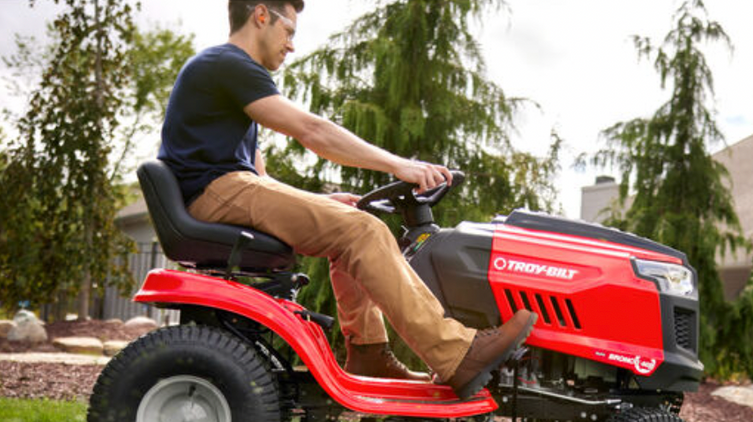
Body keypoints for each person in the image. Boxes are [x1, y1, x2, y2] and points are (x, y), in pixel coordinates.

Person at [158, 0, 535, 399]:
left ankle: (369, 352)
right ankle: (457, 353)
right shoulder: (228, 64)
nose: (291, 46)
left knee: (350, 221)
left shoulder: (228, 83)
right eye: (290, 33)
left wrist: (322, 201)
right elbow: (311, 130)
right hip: (217, 192)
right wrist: (399, 166)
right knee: (364, 230)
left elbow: (260, 181)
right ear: (261, 15)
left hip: (222, 191)